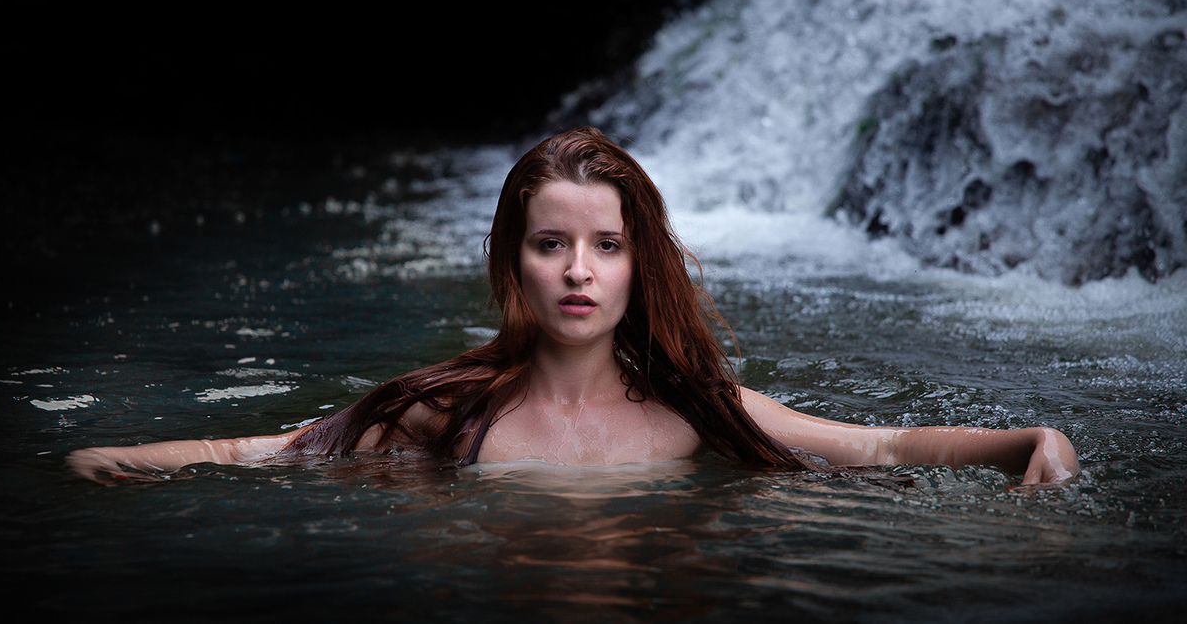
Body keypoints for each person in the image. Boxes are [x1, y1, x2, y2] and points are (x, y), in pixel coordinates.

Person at [66, 127, 1080, 485]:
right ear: (515, 260)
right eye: (552, 245)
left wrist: (1025, 441)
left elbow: (885, 448)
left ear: (641, 267)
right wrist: (109, 459)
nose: (579, 271)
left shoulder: (697, 411)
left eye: (607, 245)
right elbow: (271, 453)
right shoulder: (448, 414)